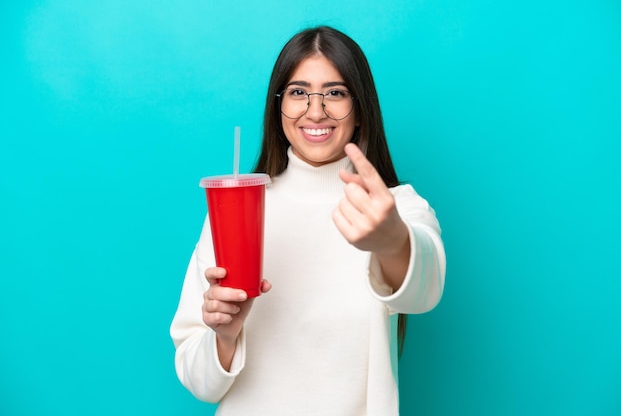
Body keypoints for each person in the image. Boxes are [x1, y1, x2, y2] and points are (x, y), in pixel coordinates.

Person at [170, 25, 446, 416]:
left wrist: (391, 240)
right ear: (278, 106)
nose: (315, 111)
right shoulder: (238, 210)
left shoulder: (395, 208)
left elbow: (424, 292)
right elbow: (199, 383)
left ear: (360, 109)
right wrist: (224, 339)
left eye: (334, 93)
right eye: (299, 93)